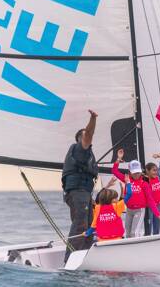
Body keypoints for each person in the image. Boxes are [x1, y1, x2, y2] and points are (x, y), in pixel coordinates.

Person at [61, 110, 99, 263]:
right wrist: (93, 118)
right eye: (84, 136)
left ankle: (84, 255)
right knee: (81, 224)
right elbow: (89, 133)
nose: (87, 138)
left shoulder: (85, 154)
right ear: (80, 138)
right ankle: (70, 259)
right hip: (78, 192)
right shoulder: (79, 148)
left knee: (90, 225)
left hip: (84, 193)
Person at [112, 149, 160, 238]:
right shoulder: (127, 179)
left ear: (141, 171)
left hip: (139, 210)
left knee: (134, 233)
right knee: (128, 234)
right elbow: (115, 171)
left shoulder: (144, 184)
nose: (136, 174)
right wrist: (118, 159)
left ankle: (139, 248)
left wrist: (158, 215)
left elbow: (150, 200)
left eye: (138, 172)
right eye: (134, 172)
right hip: (129, 210)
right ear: (130, 172)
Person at [84, 177, 132, 241]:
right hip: (115, 240)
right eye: (115, 198)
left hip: (104, 240)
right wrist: (128, 182)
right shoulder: (117, 206)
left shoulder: (98, 208)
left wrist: (88, 233)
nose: (117, 200)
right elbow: (129, 194)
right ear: (109, 199)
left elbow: (93, 226)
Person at [145, 154, 160, 235]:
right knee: (149, 226)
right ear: (147, 170)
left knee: (157, 225)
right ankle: (147, 238)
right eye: (154, 170)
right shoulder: (145, 181)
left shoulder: (158, 177)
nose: (156, 172)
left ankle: (156, 237)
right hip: (149, 207)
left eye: (156, 170)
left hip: (157, 205)